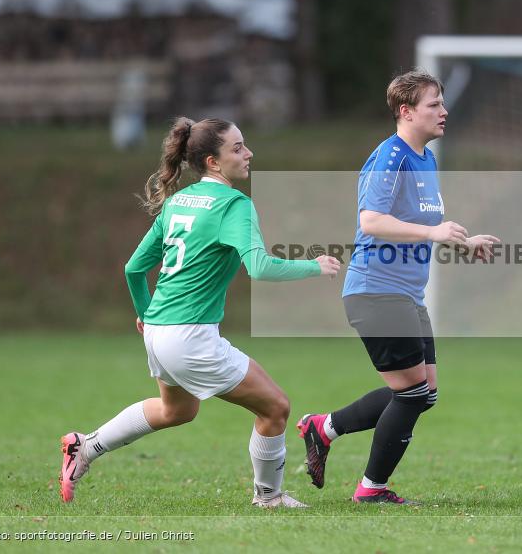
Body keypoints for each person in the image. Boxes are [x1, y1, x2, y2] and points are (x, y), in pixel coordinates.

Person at [58, 117, 340, 509]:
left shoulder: (178, 202)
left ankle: (85, 447)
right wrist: (314, 266)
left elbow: (134, 269)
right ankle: (269, 497)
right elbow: (259, 267)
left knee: (176, 410)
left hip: (159, 331)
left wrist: (145, 314)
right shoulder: (234, 205)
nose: (248, 153)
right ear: (212, 161)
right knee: (276, 407)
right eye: (237, 148)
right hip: (189, 336)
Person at [296, 69, 499, 504]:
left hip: (404, 294)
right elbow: (372, 221)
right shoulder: (391, 157)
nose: (444, 111)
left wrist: (462, 241)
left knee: (424, 392)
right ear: (406, 111)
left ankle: (323, 428)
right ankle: (371, 488)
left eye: (442, 102)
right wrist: (434, 233)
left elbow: (419, 224)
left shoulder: (425, 158)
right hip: (376, 290)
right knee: (412, 393)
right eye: (434, 104)